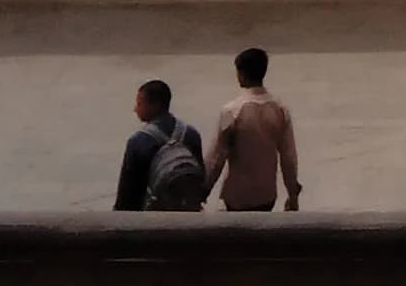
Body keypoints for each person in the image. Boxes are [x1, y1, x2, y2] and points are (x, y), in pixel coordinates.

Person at [204, 48, 302, 214]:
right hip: (267, 195)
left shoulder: (231, 111)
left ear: (241, 73)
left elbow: (216, 158)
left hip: (236, 196)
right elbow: (288, 157)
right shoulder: (280, 110)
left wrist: (203, 192)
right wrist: (292, 195)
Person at [114, 80, 206, 212]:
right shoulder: (191, 134)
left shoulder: (138, 141)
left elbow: (127, 195)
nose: (135, 109)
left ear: (155, 105)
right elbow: (200, 177)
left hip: (154, 218)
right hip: (188, 213)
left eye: (140, 104)